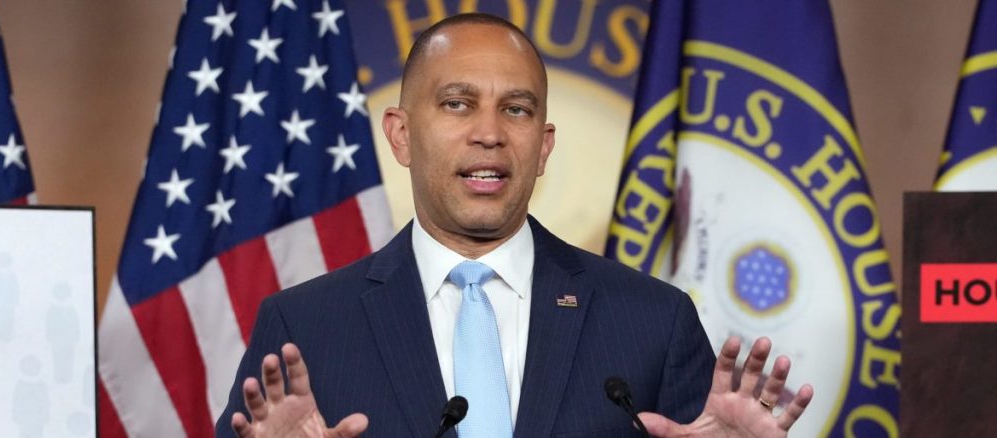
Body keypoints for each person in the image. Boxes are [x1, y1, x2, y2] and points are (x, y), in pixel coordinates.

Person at [216, 13, 812, 438]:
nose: (490, 133)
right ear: (400, 135)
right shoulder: (306, 327)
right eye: (457, 103)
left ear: (543, 146)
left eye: (517, 109)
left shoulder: (653, 321)